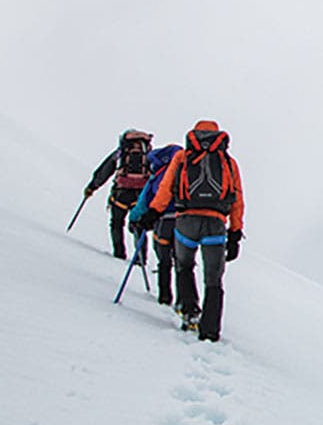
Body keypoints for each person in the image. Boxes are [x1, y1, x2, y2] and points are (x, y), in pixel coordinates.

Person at [137, 120, 244, 341]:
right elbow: (237, 199)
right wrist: (235, 233)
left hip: (186, 220)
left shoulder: (182, 157)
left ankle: (189, 313)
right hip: (215, 222)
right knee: (214, 279)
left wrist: (152, 213)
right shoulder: (228, 162)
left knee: (184, 266)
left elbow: (166, 188)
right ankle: (210, 331)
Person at [126, 141, 184, 306]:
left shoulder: (159, 173)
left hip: (163, 219)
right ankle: (184, 301)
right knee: (182, 262)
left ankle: (165, 297)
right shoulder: (187, 170)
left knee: (164, 260)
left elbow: (145, 199)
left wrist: (135, 219)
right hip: (184, 221)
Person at [84, 129, 155, 260]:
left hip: (121, 193)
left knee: (116, 223)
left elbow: (105, 171)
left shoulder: (121, 152)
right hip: (141, 195)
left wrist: (92, 187)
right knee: (138, 226)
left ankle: (119, 253)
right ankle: (141, 257)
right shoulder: (148, 153)